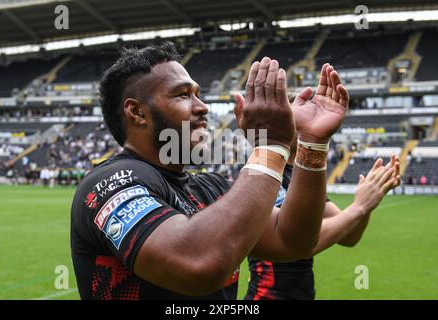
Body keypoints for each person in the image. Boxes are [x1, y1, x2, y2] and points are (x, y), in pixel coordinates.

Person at [70, 42, 349, 300]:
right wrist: (271, 146)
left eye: (198, 95)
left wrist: (312, 143)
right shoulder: (110, 184)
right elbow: (199, 265)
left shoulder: (211, 186)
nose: (202, 108)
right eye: (182, 95)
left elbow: (294, 241)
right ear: (137, 112)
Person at [245, 135, 400, 300]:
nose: (309, 129)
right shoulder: (262, 172)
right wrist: (359, 207)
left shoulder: (301, 175)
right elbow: (297, 244)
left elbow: (349, 237)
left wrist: (367, 203)